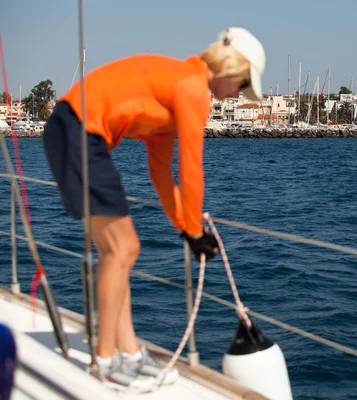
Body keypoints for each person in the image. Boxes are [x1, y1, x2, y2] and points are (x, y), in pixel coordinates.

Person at [42, 27, 266, 392]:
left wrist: (185, 227)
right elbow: (191, 169)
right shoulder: (193, 88)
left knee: (120, 252)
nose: (237, 94)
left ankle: (128, 353)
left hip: (73, 131)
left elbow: (161, 172)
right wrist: (194, 231)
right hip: (78, 132)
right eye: (242, 86)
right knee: (123, 249)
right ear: (231, 69)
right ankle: (106, 361)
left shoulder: (174, 91)